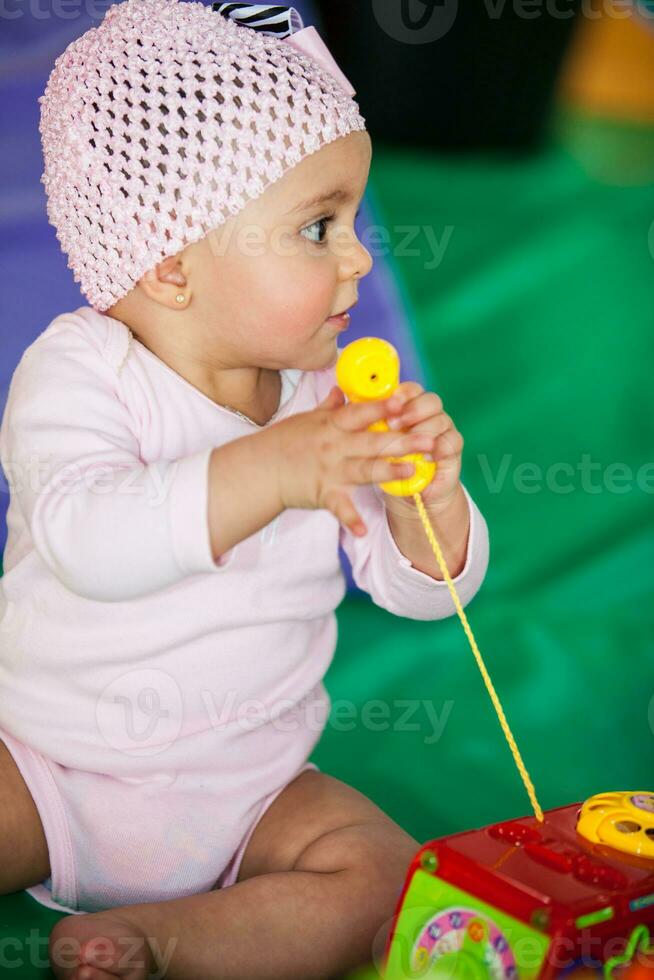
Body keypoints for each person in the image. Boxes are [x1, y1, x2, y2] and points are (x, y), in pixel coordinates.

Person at [0, 1, 490, 976]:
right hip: (48, 761)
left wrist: (424, 503)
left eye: (353, 220)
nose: (360, 257)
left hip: (250, 788)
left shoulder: (319, 397)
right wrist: (275, 467)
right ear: (174, 264)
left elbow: (427, 594)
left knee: (389, 879)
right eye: (319, 227)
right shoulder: (81, 372)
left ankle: (162, 942)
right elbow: (88, 541)